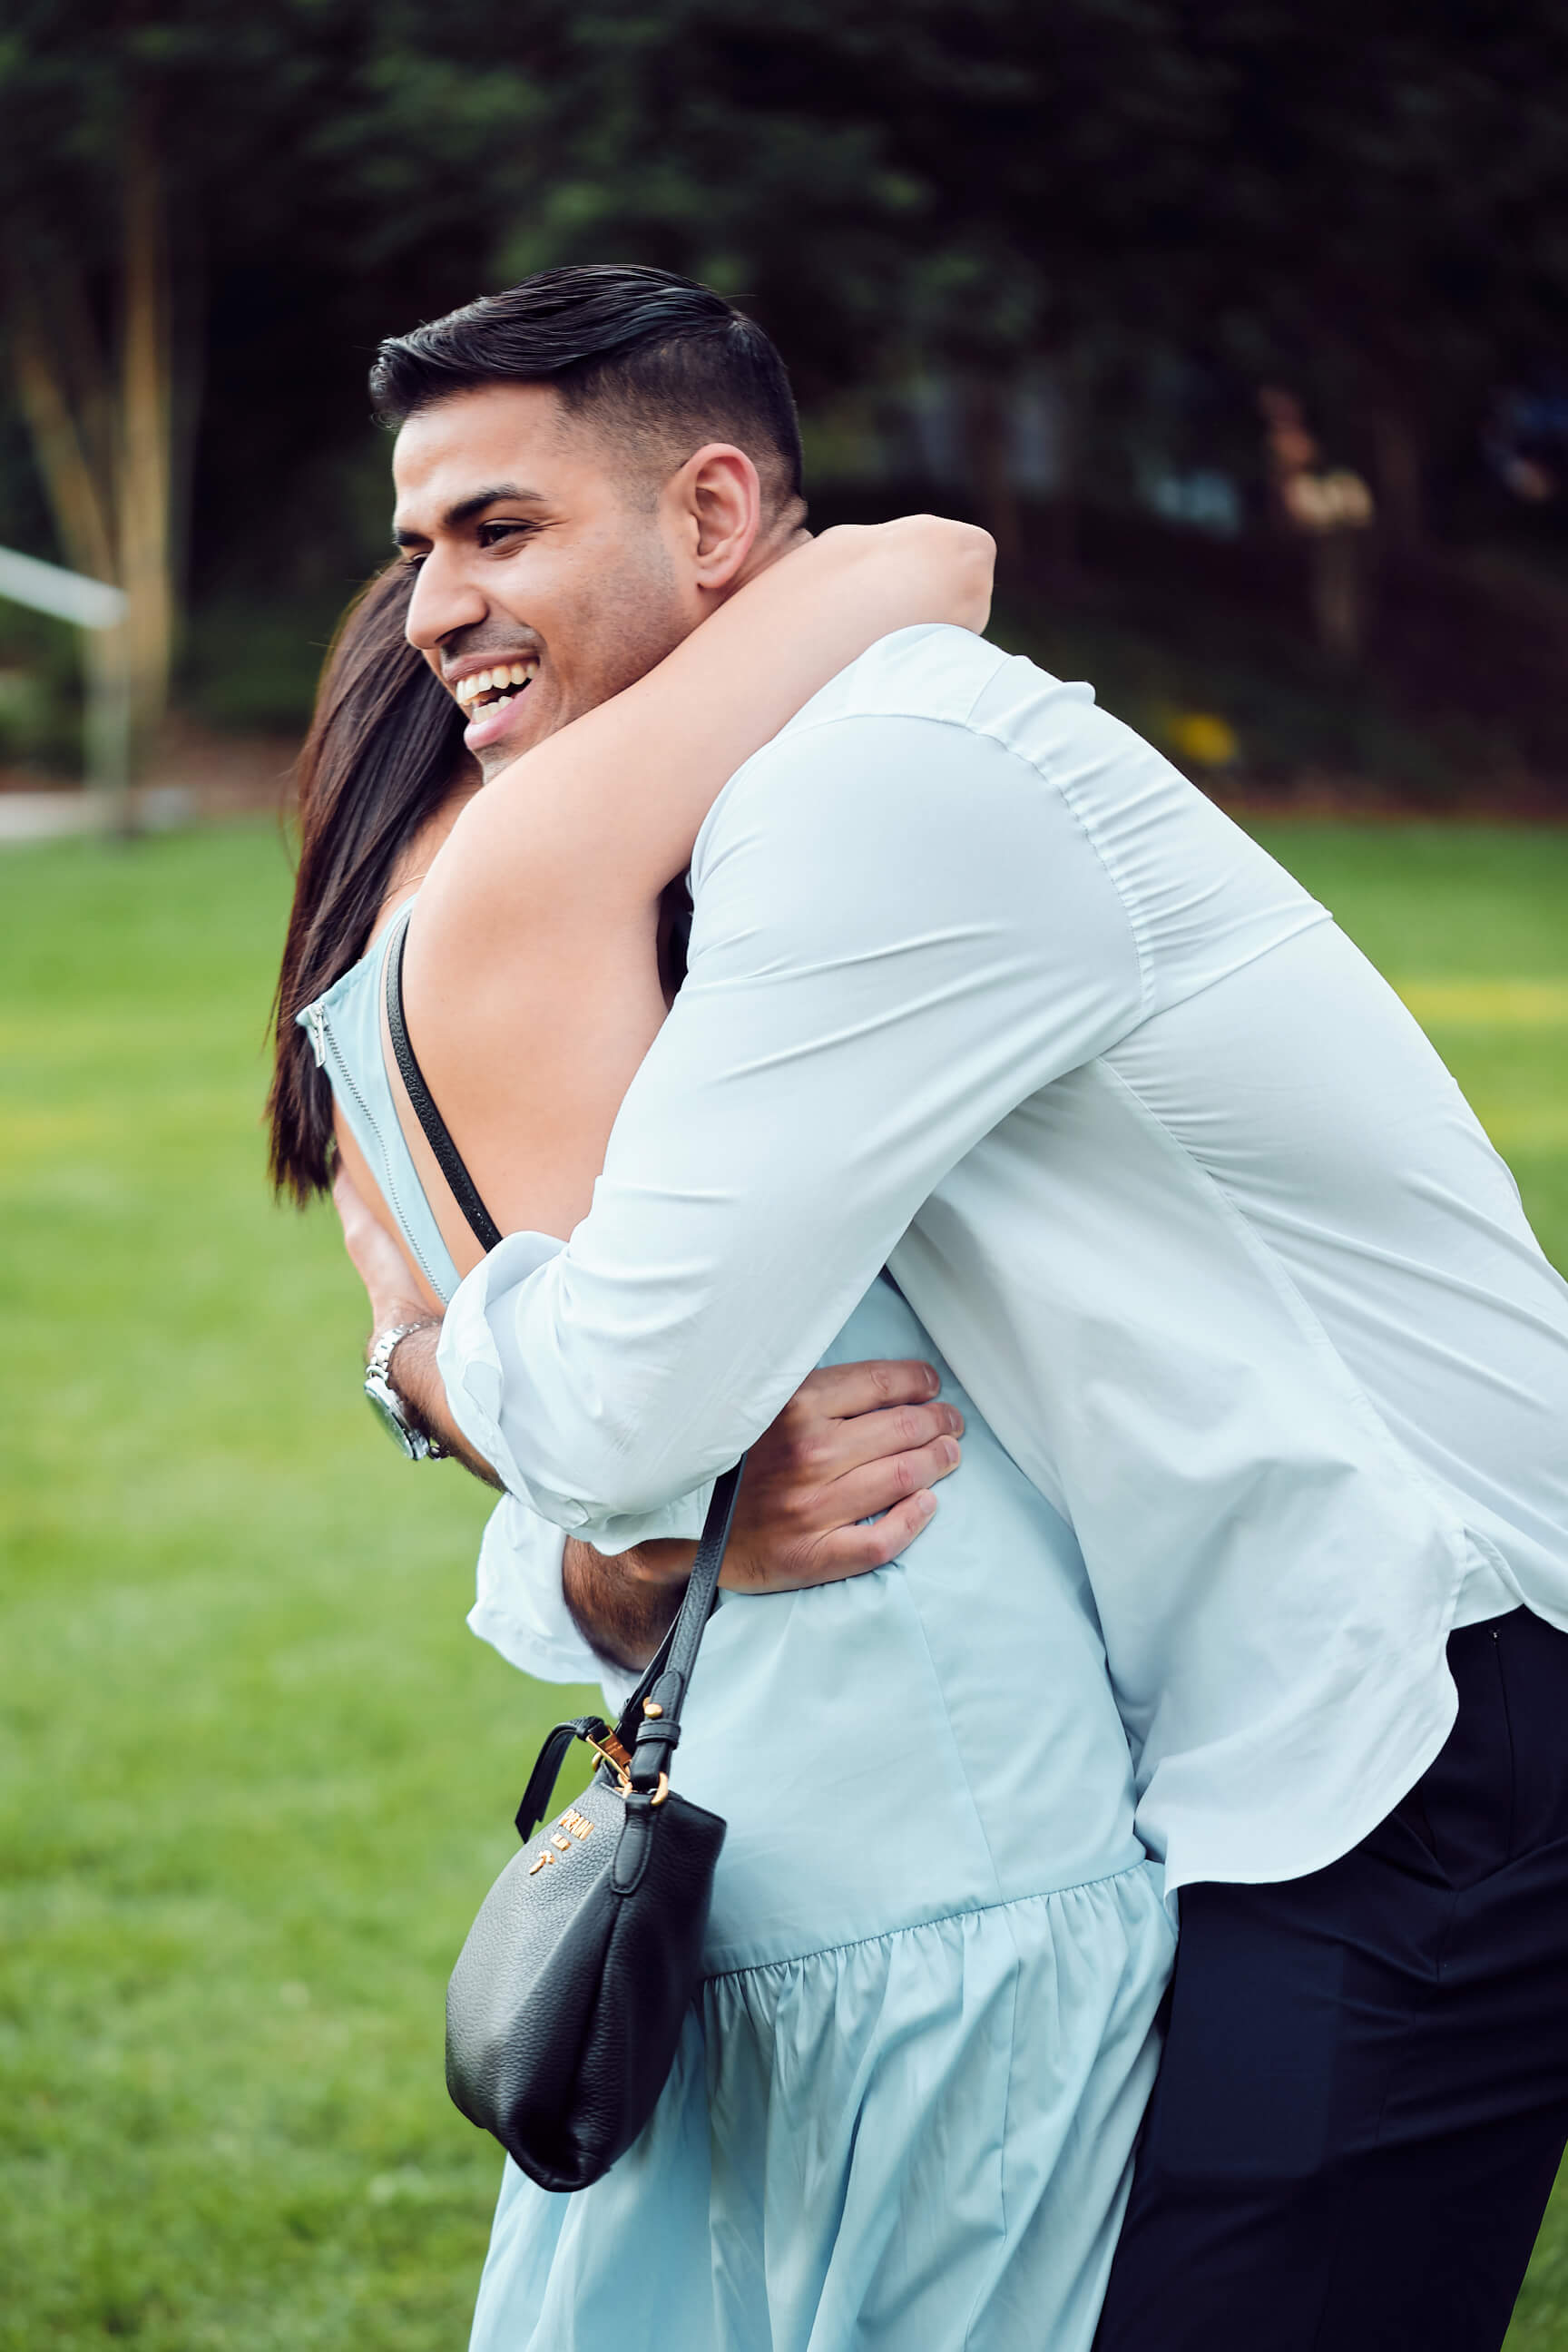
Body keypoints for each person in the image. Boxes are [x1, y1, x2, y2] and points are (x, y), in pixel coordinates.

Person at [345, 263, 1568, 2352]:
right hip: (1266, 1738)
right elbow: (708, 1445)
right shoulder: (771, 804)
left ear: (716, 520)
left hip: (1435, 1708)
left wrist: (418, 1352)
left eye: (501, 530)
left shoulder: (880, 790)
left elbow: (638, 1398)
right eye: (416, 549)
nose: (435, 605)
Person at [275, 524, 1176, 2350]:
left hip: (719, 1858)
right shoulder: (555, 928)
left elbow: (570, 1462)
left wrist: (466, 1413)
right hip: (943, 1831)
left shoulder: (381, 1018)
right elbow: (932, 555)